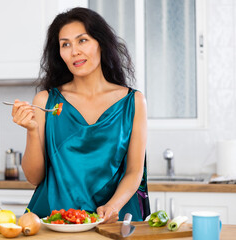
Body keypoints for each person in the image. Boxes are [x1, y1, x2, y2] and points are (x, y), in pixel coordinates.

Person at [11, 7, 148, 223]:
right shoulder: (45, 101)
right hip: (53, 222)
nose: (74, 51)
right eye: (65, 44)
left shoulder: (134, 102)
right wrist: (31, 130)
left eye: (82, 40)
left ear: (101, 43)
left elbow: (133, 171)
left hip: (111, 222)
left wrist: (113, 206)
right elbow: (34, 177)